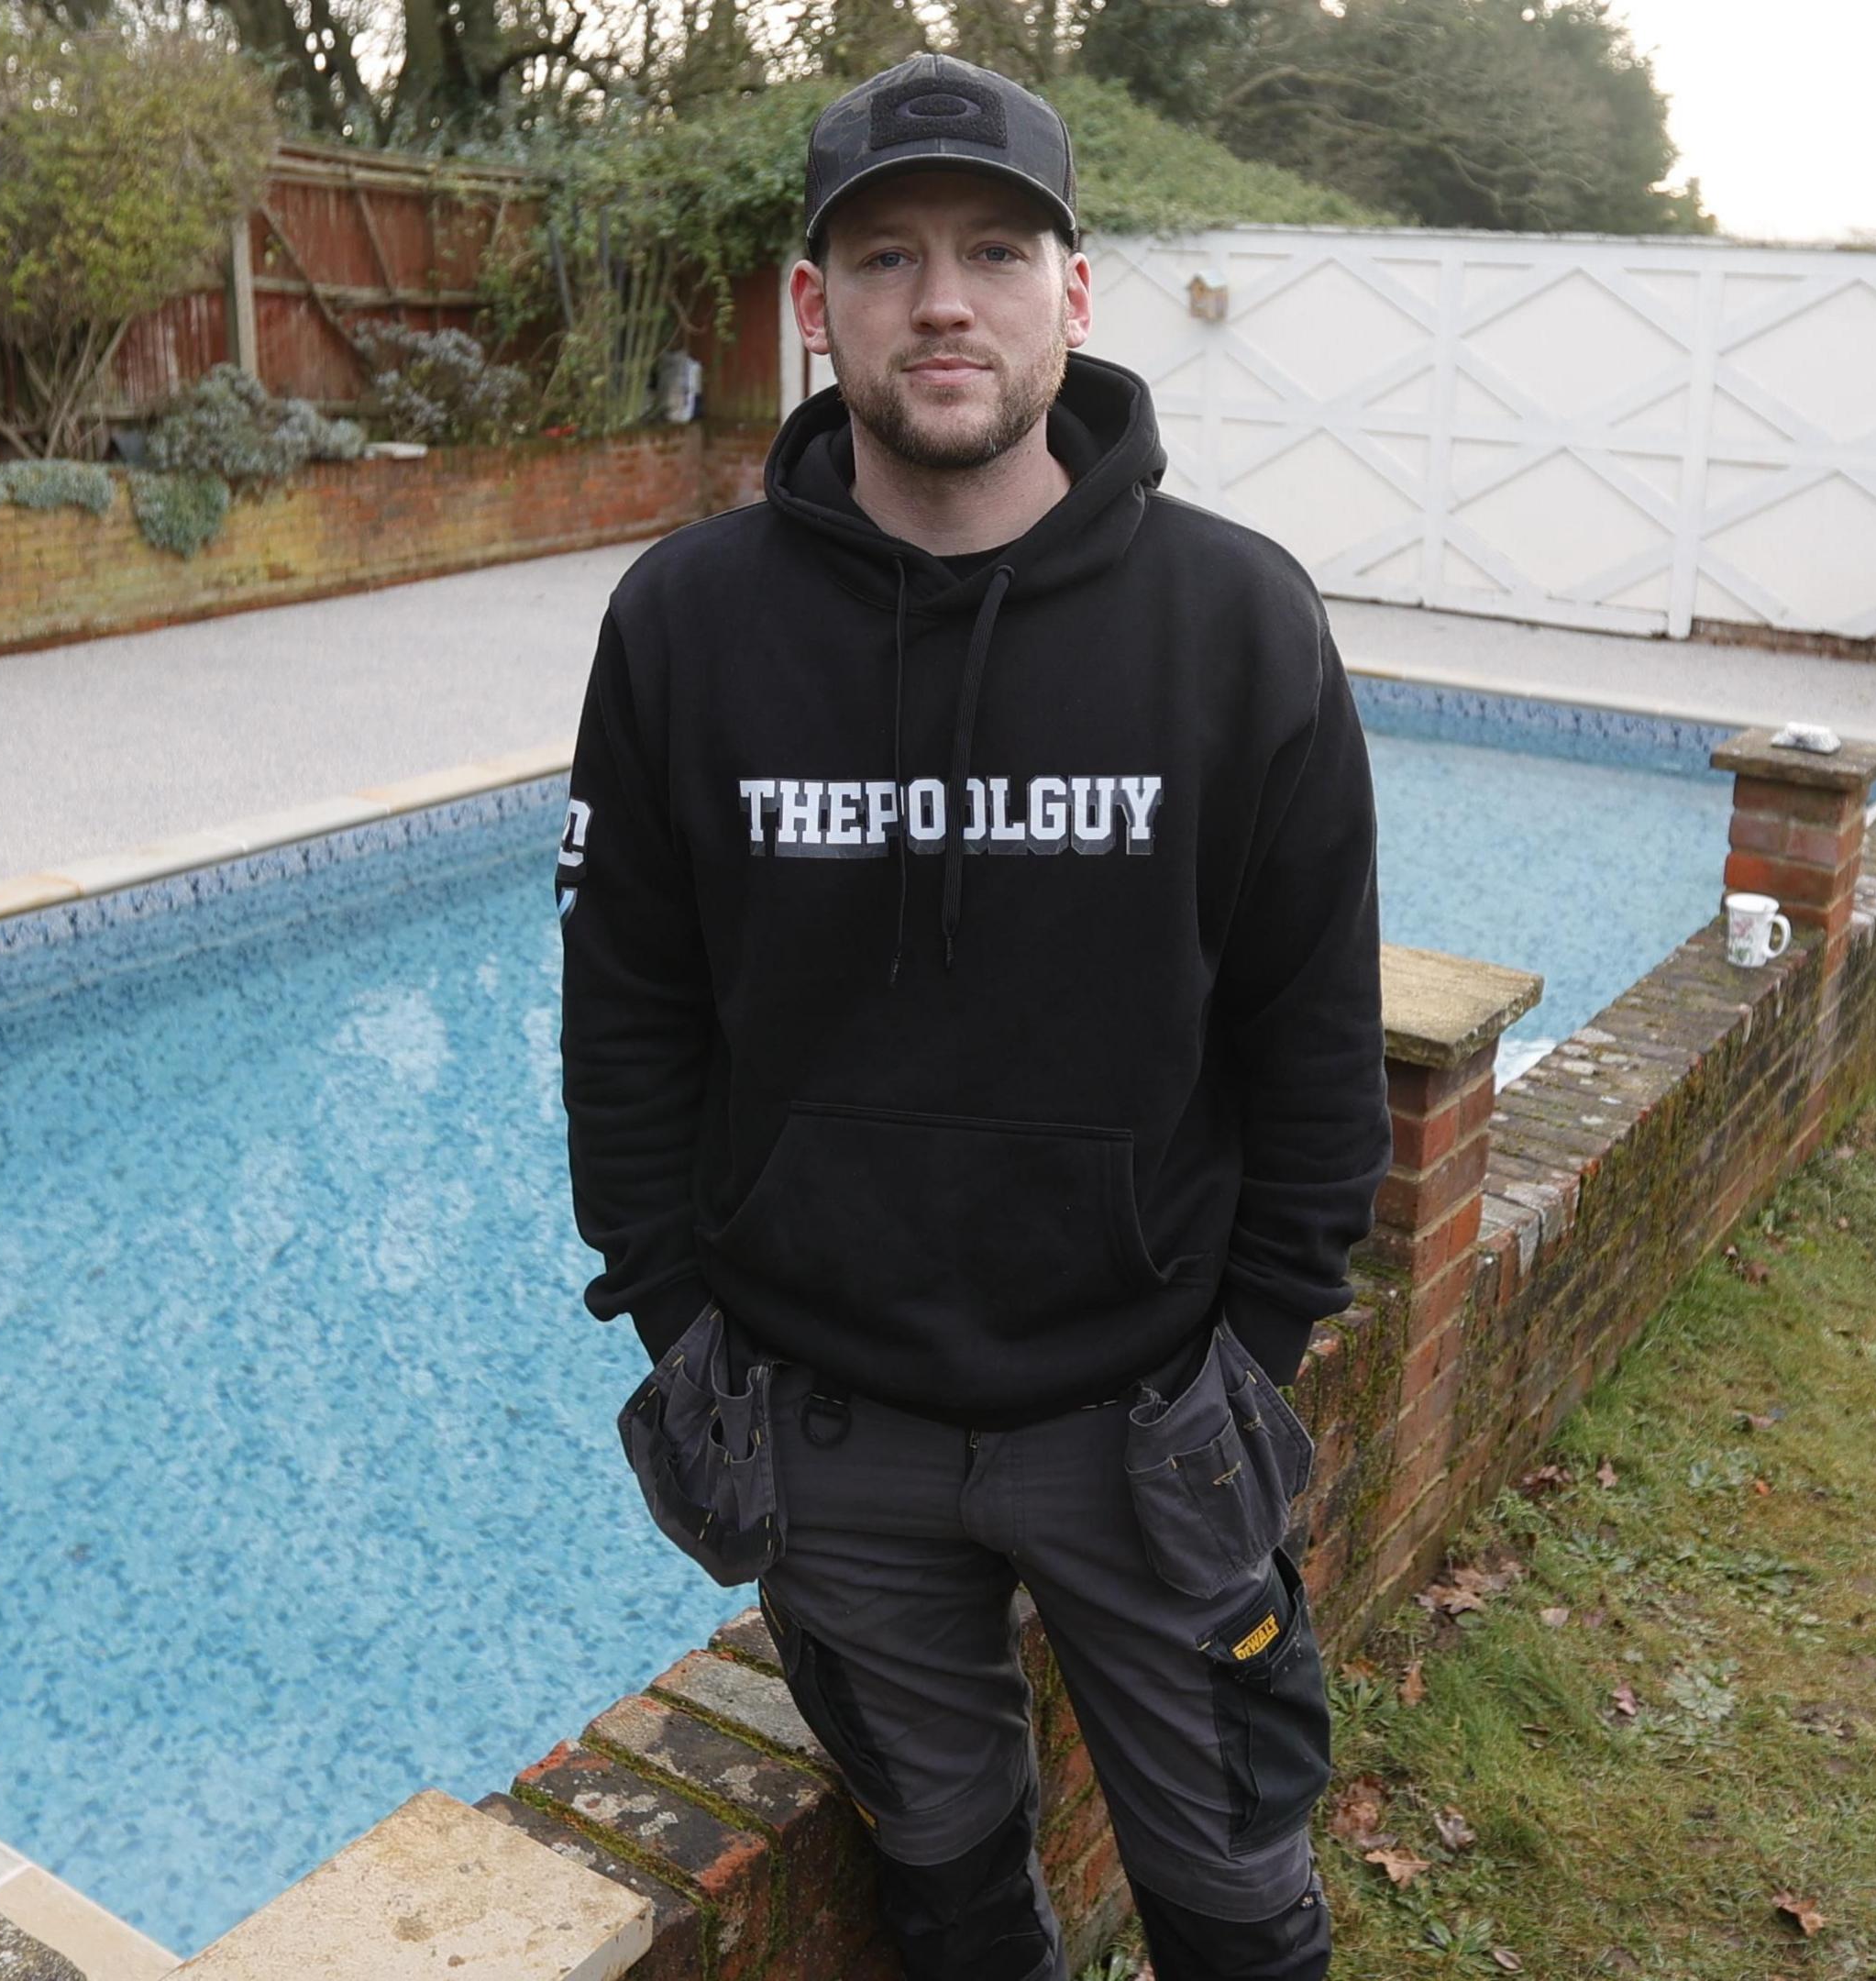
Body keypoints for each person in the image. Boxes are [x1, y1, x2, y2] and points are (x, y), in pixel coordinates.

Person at [554, 50, 1389, 1981]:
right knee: (942, 1882)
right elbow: (629, 1010)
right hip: (828, 1427)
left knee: (1237, 1894)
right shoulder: (684, 626)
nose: (945, 298)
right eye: (888, 255)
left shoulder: (1236, 623)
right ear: (816, 306)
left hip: (1149, 1417)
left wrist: (1255, 1346)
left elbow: (1312, 1032)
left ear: (1071, 296)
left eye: (996, 250)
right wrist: (677, 1309)